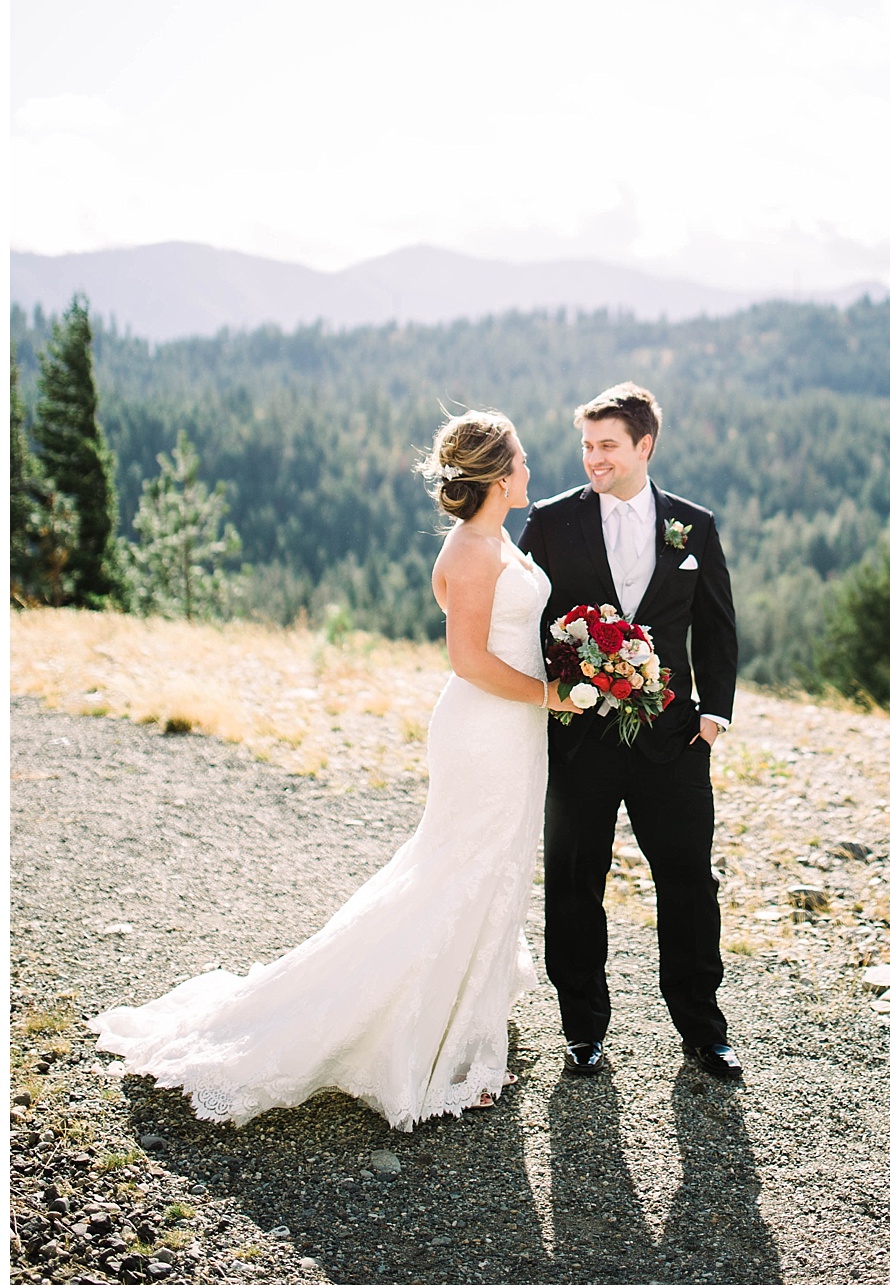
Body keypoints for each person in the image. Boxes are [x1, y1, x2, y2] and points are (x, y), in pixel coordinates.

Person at [89, 410, 580, 1131]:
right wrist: (549, 694)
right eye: (525, 460)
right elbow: (469, 661)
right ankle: (412, 1034)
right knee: (457, 867)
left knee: (494, 862)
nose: (533, 470)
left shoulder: (494, 535)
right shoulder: (474, 552)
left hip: (516, 731)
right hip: (487, 729)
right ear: (500, 477)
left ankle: (463, 1021)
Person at [519, 382, 742, 1081]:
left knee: (687, 883)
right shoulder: (552, 522)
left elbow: (717, 625)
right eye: (587, 446)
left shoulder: (692, 526)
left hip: (673, 742)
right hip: (579, 740)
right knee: (574, 881)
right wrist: (551, 701)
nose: (594, 458)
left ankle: (703, 1029)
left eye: (607, 445)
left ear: (644, 446)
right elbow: (522, 619)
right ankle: (582, 1028)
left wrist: (713, 715)